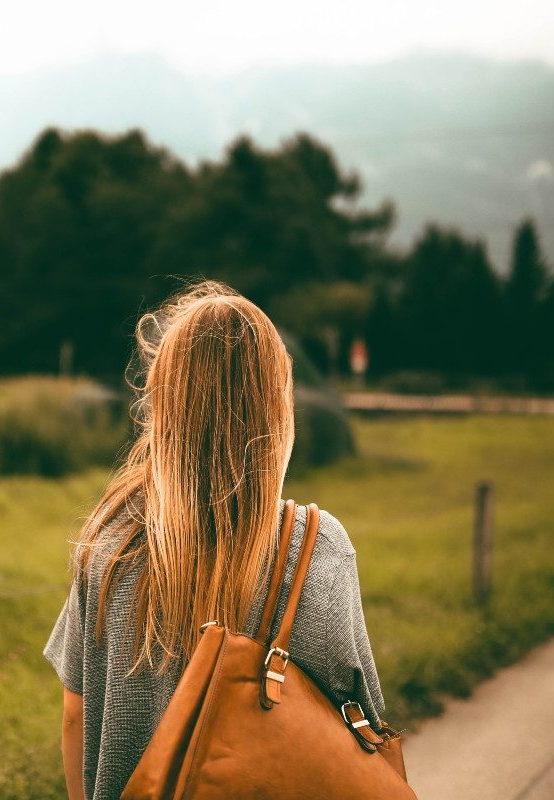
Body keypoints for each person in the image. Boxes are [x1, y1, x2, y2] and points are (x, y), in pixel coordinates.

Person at [43, 279, 387, 800]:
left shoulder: (110, 546)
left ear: (164, 403)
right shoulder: (316, 546)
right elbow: (363, 717)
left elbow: (76, 715)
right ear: (276, 407)